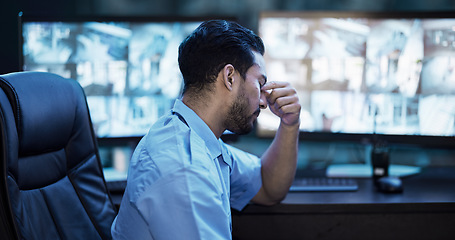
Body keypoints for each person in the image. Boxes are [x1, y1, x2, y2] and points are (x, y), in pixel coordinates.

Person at [111, 19, 301, 239]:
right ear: (230, 77)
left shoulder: (196, 137)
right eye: (259, 83)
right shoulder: (183, 170)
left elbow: (269, 186)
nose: (263, 102)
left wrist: (290, 123)